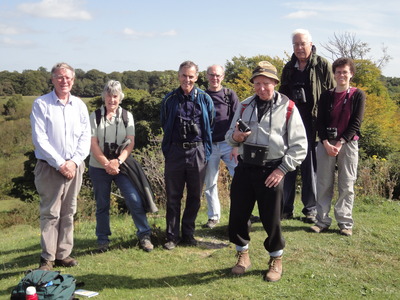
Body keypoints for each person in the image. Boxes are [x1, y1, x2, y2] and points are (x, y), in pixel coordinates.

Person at [225, 61, 307, 282]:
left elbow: (300, 146)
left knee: (272, 219)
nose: (261, 88)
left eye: (266, 83)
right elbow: (229, 137)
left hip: (273, 170)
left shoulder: (288, 107)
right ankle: (243, 256)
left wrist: (282, 170)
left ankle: (276, 259)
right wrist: (237, 138)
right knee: (238, 215)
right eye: (257, 83)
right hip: (245, 167)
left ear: (275, 83)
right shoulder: (244, 106)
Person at [31, 62, 91, 270]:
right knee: (50, 213)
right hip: (49, 167)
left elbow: (85, 137)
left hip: (75, 167)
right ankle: (47, 258)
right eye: (59, 77)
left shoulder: (80, 105)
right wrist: (60, 163)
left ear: (73, 80)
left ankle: (63, 254)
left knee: (68, 212)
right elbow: (40, 139)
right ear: (52, 79)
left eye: (68, 77)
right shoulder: (41, 104)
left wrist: (73, 162)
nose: (64, 81)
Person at [88, 80, 155, 252]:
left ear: (120, 97)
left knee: (134, 199)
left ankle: (144, 235)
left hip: (122, 166)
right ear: (104, 96)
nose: (112, 100)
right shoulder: (94, 116)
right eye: (109, 96)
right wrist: (106, 164)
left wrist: (117, 161)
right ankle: (102, 240)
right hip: (98, 166)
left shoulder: (127, 116)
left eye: (115, 96)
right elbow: (92, 143)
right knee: (102, 203)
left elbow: (130, 142)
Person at [279, 28, 335, 223]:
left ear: (311, 44)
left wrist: (328, 124)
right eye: (295, 44)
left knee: (309, 168)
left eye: (302, 43)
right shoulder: (289, 67)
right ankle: (285, 208)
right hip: (292, 123)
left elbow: (332, 94)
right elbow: (282, 95)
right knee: (288, 165)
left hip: (313, 123)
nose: (299, 48)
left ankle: (310, 209)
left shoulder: (323, 65)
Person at [160, 61, 215, 250]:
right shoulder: (169, 100)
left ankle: (188, 234)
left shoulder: (205, 99)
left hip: (197, 150)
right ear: (178, 76)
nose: (187, 79)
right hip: (175, 150)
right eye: (184, 75)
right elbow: (164, 122)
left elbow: (211, 123)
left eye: (191, 76)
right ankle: (172, 236)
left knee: (195, 195)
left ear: (197, 77)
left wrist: (205, 151)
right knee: (173, 196)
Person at [310, 58, 365, 236]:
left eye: (345, 72)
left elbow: (356, 123)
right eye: (338, 72)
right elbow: (320, 122)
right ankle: (322, 221)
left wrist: (340, 142)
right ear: (334, 74)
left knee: (347, 183)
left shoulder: (358, 95)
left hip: (348, 144)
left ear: (351, 74)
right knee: (324, 183)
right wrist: (326, 142)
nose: (341, 75)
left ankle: (345, 222)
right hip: (326, 143)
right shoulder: (326, 95)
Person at [203, 64, 239, 229]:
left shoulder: (229, 94)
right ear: (207, 76)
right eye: (211, 75)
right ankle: (214, 217)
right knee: (210, 182)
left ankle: (241, 214)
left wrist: (236, 145)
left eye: (218, 75)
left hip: (228, 143)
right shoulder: (201, 96)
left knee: (239, 178)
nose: (214, 78)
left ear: (223, 77)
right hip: (209, 146)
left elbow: (239, 119)